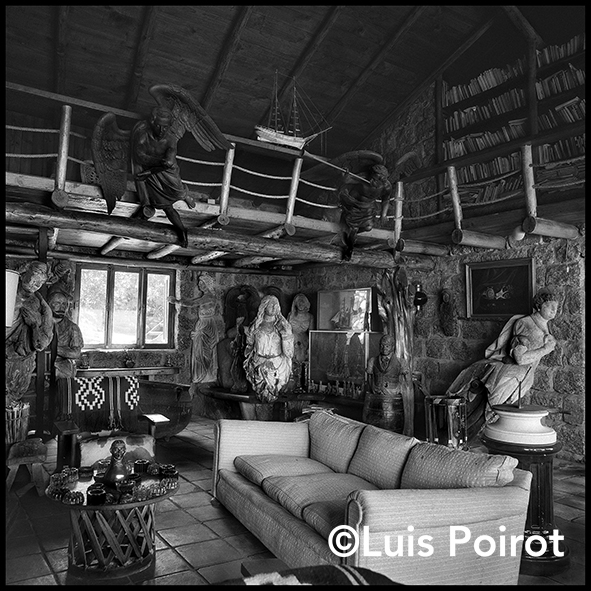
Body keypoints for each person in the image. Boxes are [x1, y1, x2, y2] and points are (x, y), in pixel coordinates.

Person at [446, 288, 559, 443]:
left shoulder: (546, 327)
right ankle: (460, 441)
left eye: (556, 306)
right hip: (511, 374)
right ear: (539, 305)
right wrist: (545, 349)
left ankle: (468, 441)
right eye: (549, 305)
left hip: (525, 376)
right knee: (489, 412)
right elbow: (519, 358)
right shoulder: (525, 323)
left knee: (499, 415)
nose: (553, 310)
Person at [131, 106, 196, 247]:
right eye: (159, 126)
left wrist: (150, 169)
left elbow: (168, 163)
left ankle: (185, 195)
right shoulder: (143, 134)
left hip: (167, 172)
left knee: (178, 192)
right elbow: (138, 156)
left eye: (165, 127)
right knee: (167, 206)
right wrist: (155, 165)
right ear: (152, 122)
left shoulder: (170, 140)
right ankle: (182, 232)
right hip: (152, 172)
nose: (162, 130)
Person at [6, 262, 54, 407]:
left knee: (13, 407)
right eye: (35, 276)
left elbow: (41, 344)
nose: (37, 284)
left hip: (21, 362)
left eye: (41, 281)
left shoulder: (40, 305)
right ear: (23, 274)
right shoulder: (9, 293)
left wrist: (34, 325)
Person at [169, 274, 224, 385]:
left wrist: (176, 301)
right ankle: (203, 375)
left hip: (207, 326)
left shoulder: (209, 297)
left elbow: (193, 303)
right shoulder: (207, 297)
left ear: (207, 284)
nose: (200, 285)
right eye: (199, 283)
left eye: (202, 283)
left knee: (204, 351)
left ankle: (205, 376)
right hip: (203, 324)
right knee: (199, 350)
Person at [243, 295, 294, 403]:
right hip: (258, 363)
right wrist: (249, 335)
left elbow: (289, 353)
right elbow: (249, 347)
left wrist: (286, 334)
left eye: (276, 305)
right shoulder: (256, 325)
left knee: (274, 391)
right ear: (264, 307)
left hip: (278, 366)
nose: (274, 307)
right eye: (271, 305)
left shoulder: (283, 326)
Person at [339, 164, 392, 261]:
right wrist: (345, 175)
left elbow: (386, 200)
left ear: (383, 179)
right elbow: (348, 180)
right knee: (354, 228)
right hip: (355, 204)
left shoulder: (386, 186)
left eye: (377, 179)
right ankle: (349, 250)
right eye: (373, 177)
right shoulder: (364, 177)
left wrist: (383, 215)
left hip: (368, 207)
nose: (373, 180)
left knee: (368, 227)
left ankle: (349, 233)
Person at [363, 334, 409, 433]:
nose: (384, 348)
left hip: (392, 400)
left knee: (392, 430)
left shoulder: (401, 362)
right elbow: (370, 379)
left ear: (393, 347)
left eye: (387, 346)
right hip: (375, 401)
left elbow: (405, 381)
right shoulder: (372, 361)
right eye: (382, 345)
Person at [46, 287, 84, 379]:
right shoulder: (41, 325)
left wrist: (53, 348)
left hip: (63, 370)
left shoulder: (73, 328)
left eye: (64, 304)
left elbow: (76, 353)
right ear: (49, 304)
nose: (61, 307)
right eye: (57, 303)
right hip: (41, 367)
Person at [287, 293, 314, 390]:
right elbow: (286, 331)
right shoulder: (290, 315)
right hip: (292, 341)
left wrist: (309, 347)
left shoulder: (310, 317)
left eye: (302, 302)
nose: (300, 304)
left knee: (303, 364)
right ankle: (292, 385)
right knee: (292, 363)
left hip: (304, 342)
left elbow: (312, 333)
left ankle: (303, 384)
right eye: (298, 302)